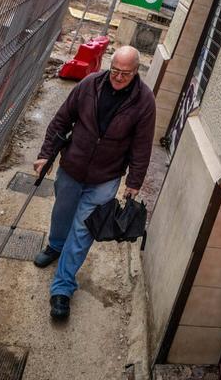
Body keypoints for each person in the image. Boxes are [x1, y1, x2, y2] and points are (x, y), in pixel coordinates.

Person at [32, 45, 155, 321]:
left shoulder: (144, 101)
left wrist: (134, 181)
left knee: (84, 229)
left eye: (126, 73)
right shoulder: (89, 84)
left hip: (105, 176)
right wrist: (44, 155)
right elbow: (61, 121)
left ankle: (62, 287)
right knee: (62, 212)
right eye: (115, 70)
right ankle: (55, 245)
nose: (118, 77)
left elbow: (142, 145)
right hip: (72, 166)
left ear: (136, 72)